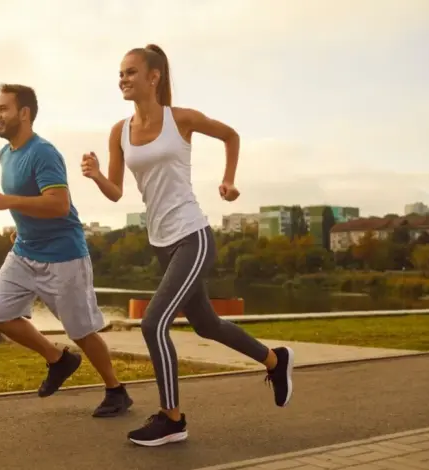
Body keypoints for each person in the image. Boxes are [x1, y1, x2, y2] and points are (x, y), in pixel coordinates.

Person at [81, 45, 295, 446]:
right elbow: (115, 193)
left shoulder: (181, 120)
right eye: (120, 73)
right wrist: (94, 176)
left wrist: (229, 180)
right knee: (207, 324)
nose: (122, 79)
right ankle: (274, 359)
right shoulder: (119, 131)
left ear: (154, 76)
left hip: (193, 237)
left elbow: (230, 135)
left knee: (153, 322)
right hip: (162, 243)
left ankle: (172, 418)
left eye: (130, 72)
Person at [0, 83, 134, 418]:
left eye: (3, 109)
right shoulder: (5, 154)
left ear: (24, 113)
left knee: (80, 330)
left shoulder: (44, 153)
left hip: (64, 255)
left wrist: (7, 202)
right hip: (24, 250)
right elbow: (32, 202)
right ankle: (58, 360)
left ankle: (116, 390)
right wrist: (20, 226)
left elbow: (59, 205)